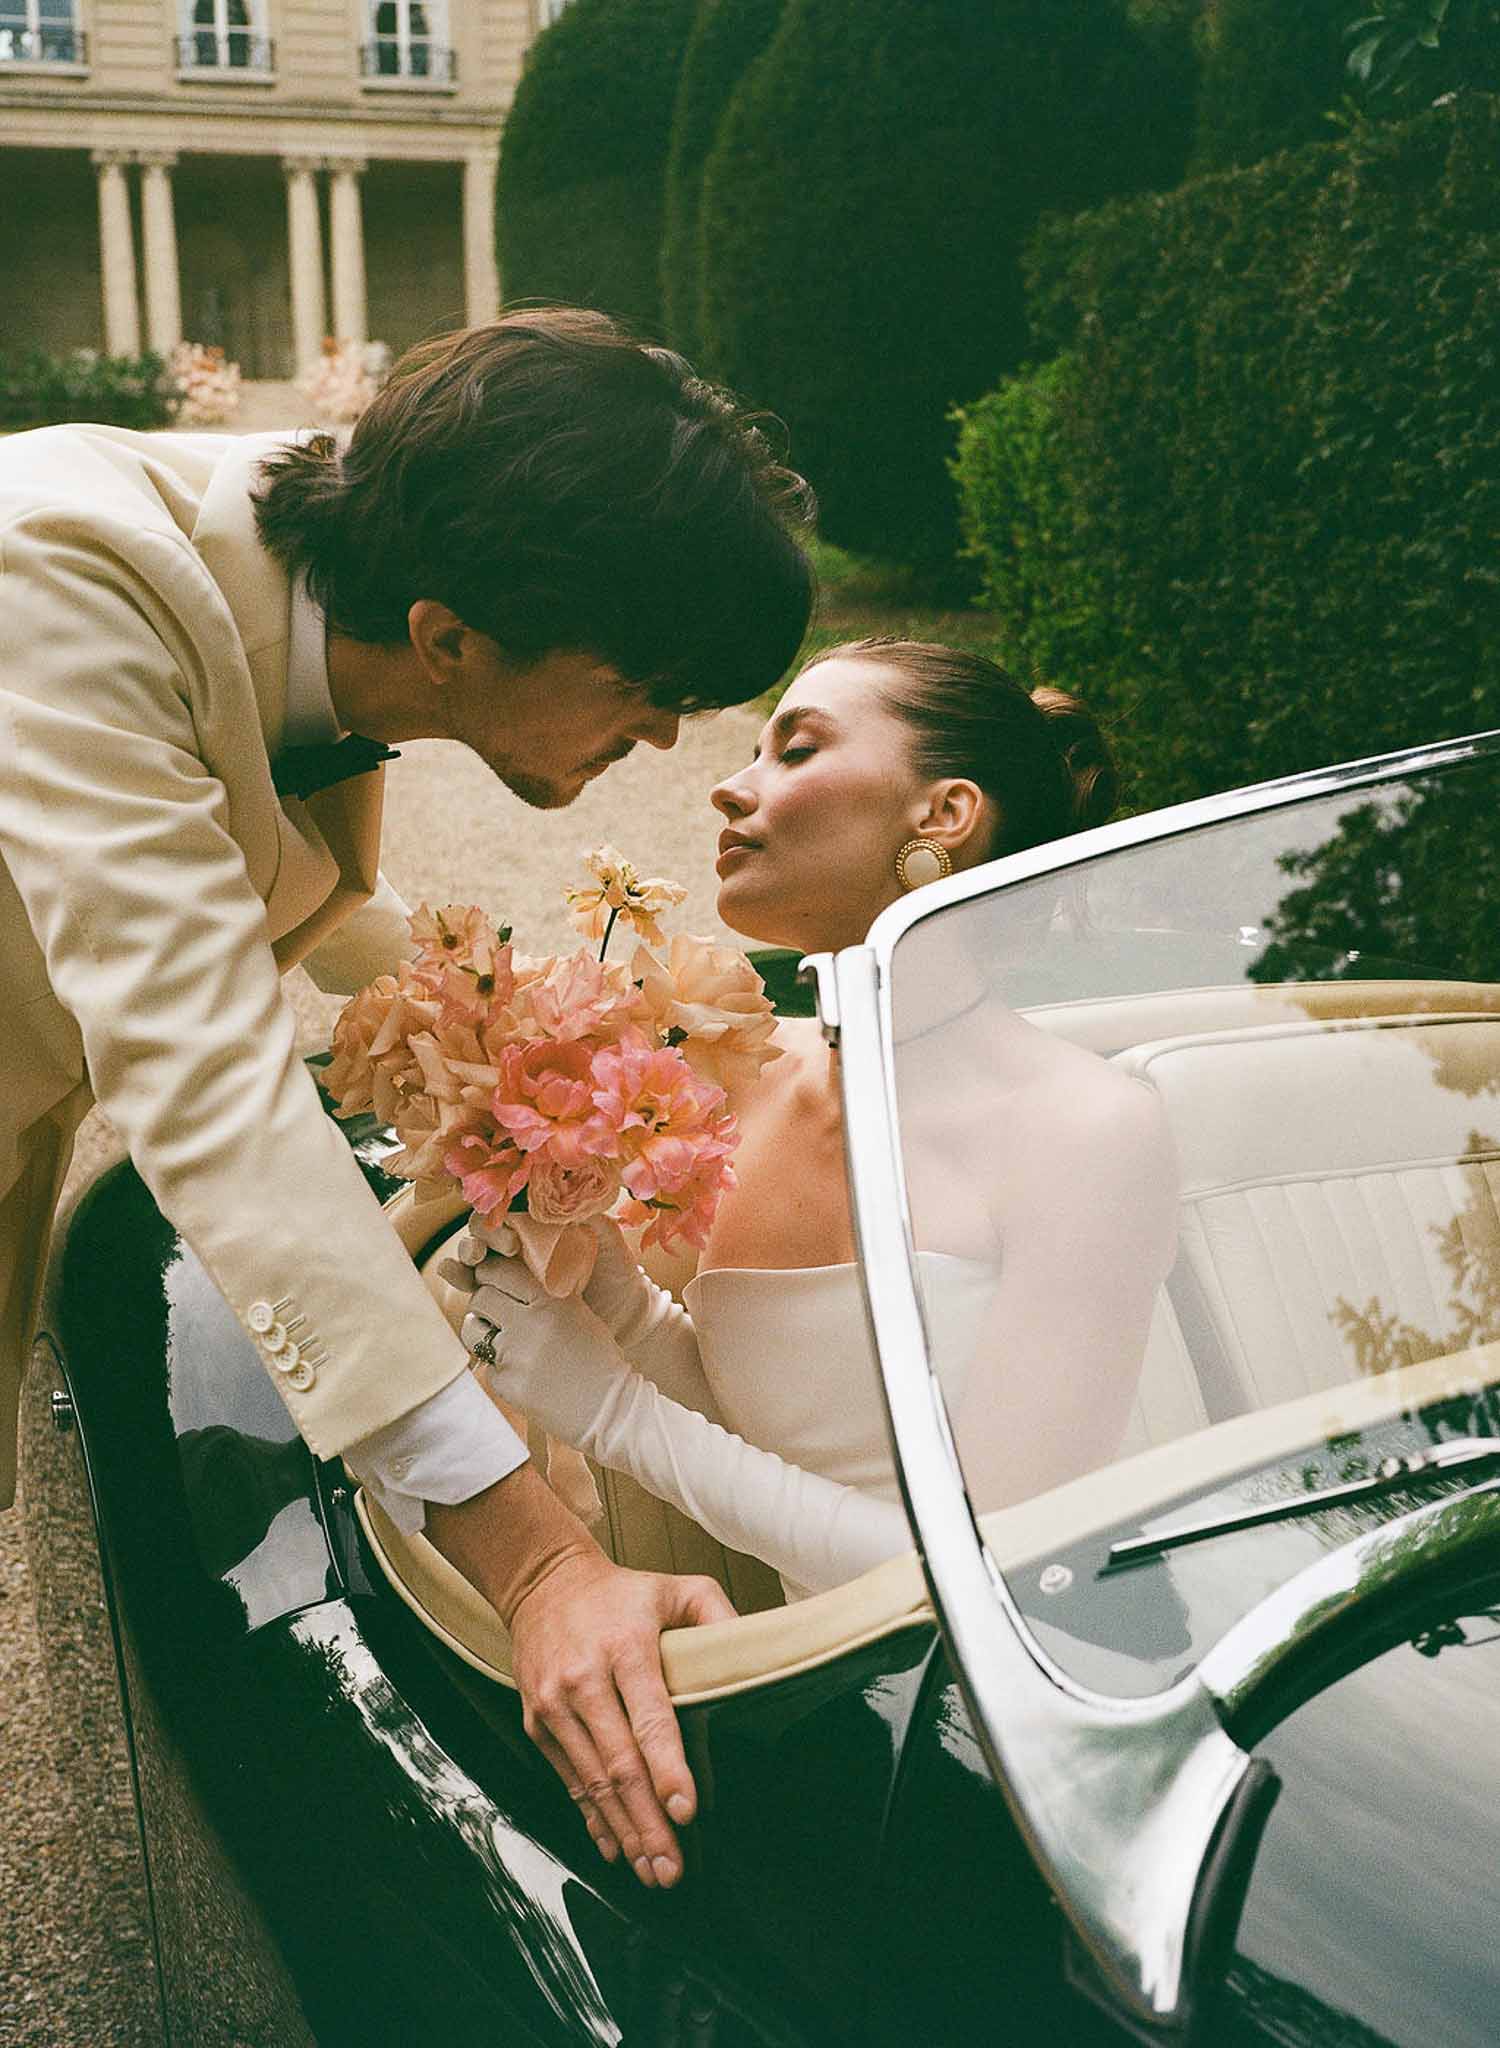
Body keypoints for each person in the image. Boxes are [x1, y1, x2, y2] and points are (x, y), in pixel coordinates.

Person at [0, 308, 814, 1890]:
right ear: (447, 638)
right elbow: (211, 1085)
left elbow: (279, 889)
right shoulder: (61, 578)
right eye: (643, 686)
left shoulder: (344, 569)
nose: (659, 736)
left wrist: (561, 1047)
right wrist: (538, 1559)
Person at [455, 642, 1179, 1645]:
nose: (726, 785)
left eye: (794, 750)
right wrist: (614, 1292)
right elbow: (783, 1429)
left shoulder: (1087, 1126)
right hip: (827, 1692)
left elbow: (1005, 1572)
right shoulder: (736, 1074)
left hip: (1042, 1693)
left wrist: (618, 1414)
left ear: (946, 814)